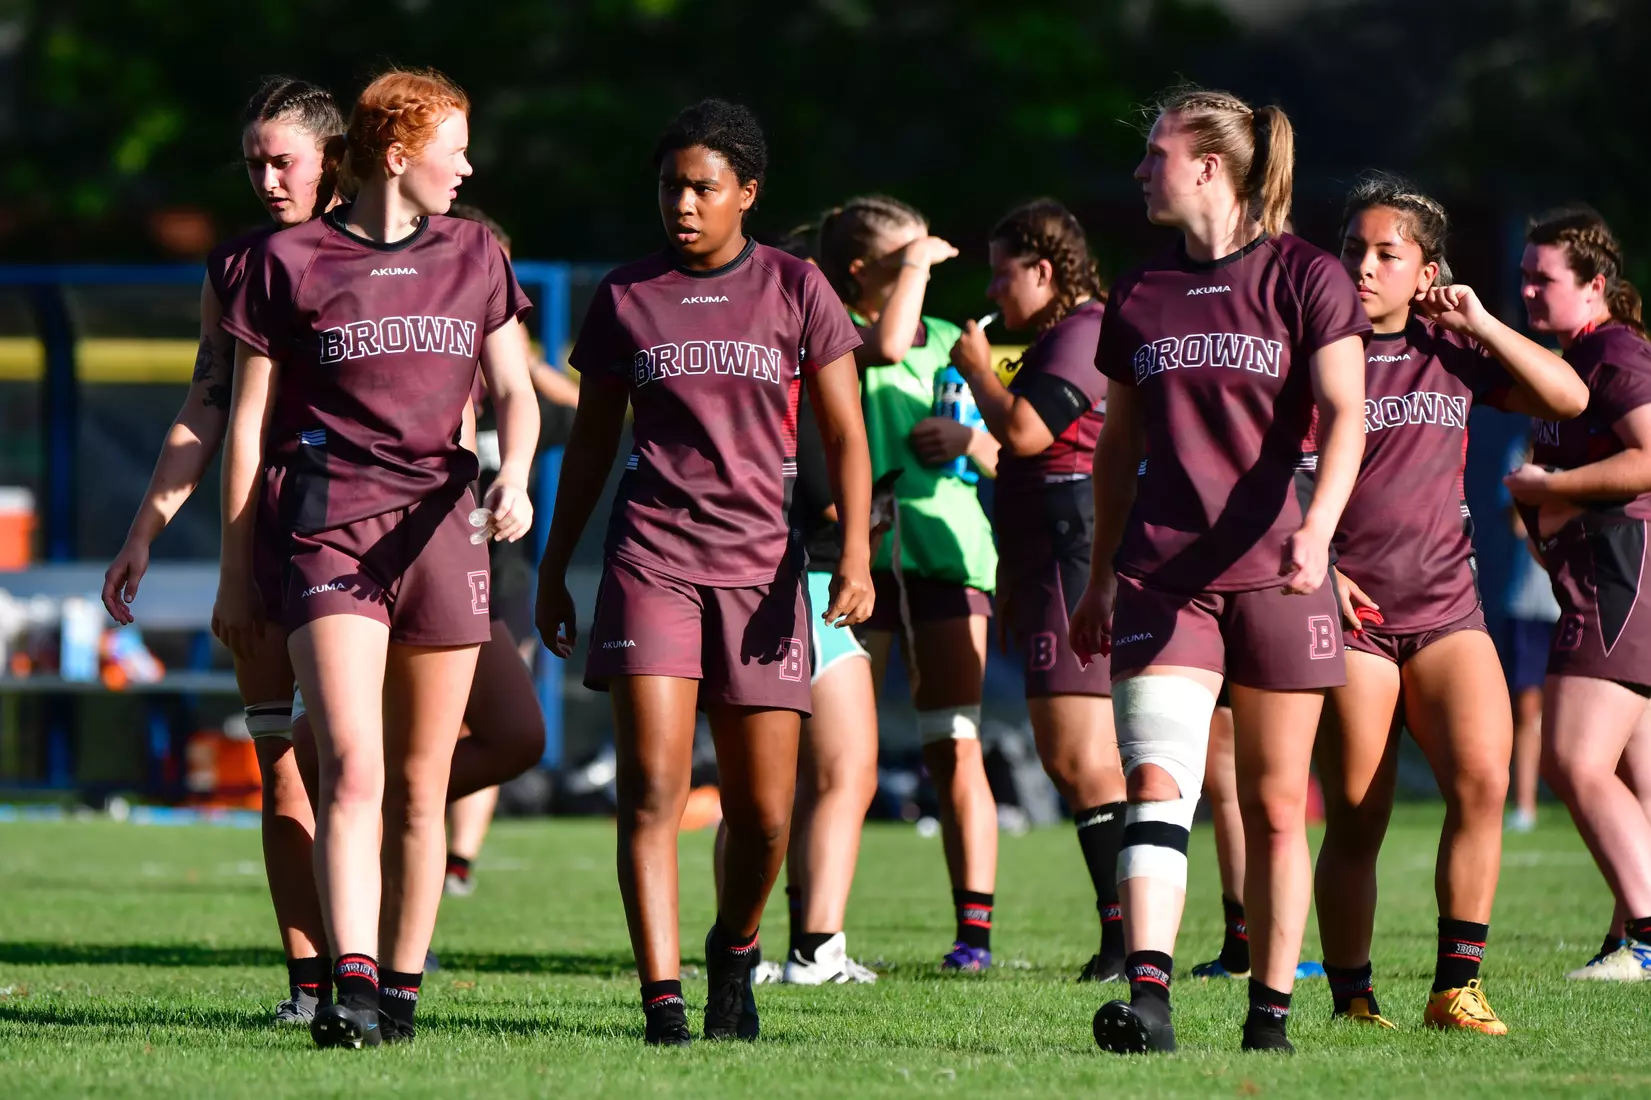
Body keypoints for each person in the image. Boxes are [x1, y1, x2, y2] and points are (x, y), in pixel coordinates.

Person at [534, 99, 873, 1046]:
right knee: (651, 787)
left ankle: (734, 949)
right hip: (651, 564)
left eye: (702, 187)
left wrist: (852, 556)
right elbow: (592, 446)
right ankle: (662, 1002)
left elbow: (846, 432)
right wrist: (556, 566)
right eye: (668, 187)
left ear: (747, 194)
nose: (681, 204)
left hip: (765, 573)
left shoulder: (797, 287)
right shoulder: (626, 296)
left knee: (765, 815)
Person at [218, 68, 539, 1049]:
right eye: (456, 147)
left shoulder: (476, 251)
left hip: (443, 534)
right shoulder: (289, 260)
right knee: (353, 764)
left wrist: (516, 474)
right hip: (330, 529)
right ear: (399, 155)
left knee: (420, 775)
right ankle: (347, 988)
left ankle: (397, 991)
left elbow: (517, 393)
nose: (470, 166)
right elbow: (242, 423)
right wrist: (237, 567)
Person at [1069, 86, 1369, 1055]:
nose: (1138, 171)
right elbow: (1116, 447)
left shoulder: (1306, 274)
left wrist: (1319, 530)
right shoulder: (1140, 292)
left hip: (1280, 572)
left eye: (1153, 153)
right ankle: (1148, 998)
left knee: (1279, 803)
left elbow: (1347, 412)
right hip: (1162, 575)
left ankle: (1269, 1013)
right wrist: (1103, 571)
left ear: (1208, 165)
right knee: (1157, 779)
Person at [1312, 176, 1587, 1035]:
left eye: (1385, 254)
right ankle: (1353, 996)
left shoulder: (1453, 346)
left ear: (1426, 269)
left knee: (1480, 781)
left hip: (1447, 610)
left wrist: (1480, 321)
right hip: (1353, 614)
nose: (1362, 265)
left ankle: (1453, 989)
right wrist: (1316, 563)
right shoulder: (1318, 345)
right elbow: (1260, 467)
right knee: (1359, 817)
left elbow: (1568, 397)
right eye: (1354, 248)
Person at [101, 75, 344, 1026]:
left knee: (381, 759)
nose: (268, 178)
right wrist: (142, 535)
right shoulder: (236, 267)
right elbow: (207, 405)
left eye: (284, 160)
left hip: (371, 539)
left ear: (333, 163)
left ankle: (381, 960)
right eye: (255, 162)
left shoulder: (390, 254)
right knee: (282, 763)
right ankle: (311, 982)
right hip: (268, 531)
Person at [817, 195, 1002, 972]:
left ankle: (974, 934)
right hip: (861, 564)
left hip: (951, 558)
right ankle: (815, 926)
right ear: (864, 272)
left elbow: (1004, 453)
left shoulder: (950, 347)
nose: (924, 270)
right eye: (906, 260)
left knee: (953, 743)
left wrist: (970, 437)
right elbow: (890, 345)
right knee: (839, 761)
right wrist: (920, 268)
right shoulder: (844, 339)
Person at [946, 199, 1127, 981]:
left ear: (1042, 269)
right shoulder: (1066, 333)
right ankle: (1127, 938)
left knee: (1079, 756)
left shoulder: (1084, 330)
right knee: (1076, 758)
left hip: (1069, 552)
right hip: (1045, 557)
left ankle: (1126, 942)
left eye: (1001, 272)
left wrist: (976, 369)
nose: (992, 292)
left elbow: (1025, 435)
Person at [1505, 206, 1651, 982]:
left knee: (1568, 757)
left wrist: (1551, 486)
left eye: (1543, 278)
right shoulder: (1568, 360)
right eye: (1523, 275)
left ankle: (1649, 939)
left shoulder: (1614, 352)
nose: (1528, 291)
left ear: (1594, 286)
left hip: (1621, 572)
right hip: (1603, 571)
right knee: (1636, 776)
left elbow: (1649, 458)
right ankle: (1628, 938)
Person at [440, 202, 573, 899]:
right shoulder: (430, 351)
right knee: (441, 718)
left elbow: (580, 410)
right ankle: (407, 819)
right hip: (431, 567)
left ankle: (458, 859)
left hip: (501, 573)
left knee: (499, 721)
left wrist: (521, 360)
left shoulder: (511, 366)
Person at [1500, 432, 1561, 834]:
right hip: (1529, 603)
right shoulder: (1521, 446)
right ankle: (1525, 807)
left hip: (1578, 602)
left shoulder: (1594, 439)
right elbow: (1519, 526)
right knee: (1526, 709)